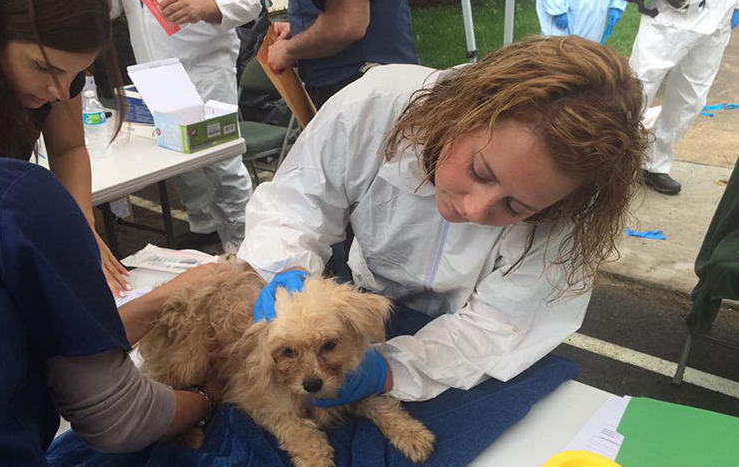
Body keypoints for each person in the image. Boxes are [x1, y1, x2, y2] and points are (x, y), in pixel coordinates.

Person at [238, 36, 648, 403]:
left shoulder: (567, 213)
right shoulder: (373, 108)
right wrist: (285, 274)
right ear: (461, 113)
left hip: (467, 334)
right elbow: (295, 206)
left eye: (515, 208)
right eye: (480, 172)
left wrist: (390, 372)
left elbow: (500, 327)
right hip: (365, 302)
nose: (474, 210)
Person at [0, 153, 227, 467]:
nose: (57, 91)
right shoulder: (11, 195)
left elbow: (57, 336)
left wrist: (157, 301)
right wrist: (211, 394)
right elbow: (118, 416)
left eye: (77, 83)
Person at [0, 0, 131, 296]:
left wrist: (81, 227)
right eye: (42, 68)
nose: (61, 92)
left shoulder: (57, 78)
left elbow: (68, 148)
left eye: (76, 73)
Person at [102, 0, 261, 251]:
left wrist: (205, 7)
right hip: (155, 72)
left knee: (221, 160)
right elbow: (115, 7)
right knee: (177, 153)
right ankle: (204, 228)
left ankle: (244, 243)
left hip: (205, 68)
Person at [628, 0, 739, 195]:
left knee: (690, 98)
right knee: (637, 86)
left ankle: (653, 164)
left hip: (720, 12)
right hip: (673, 9)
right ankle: (602, 160)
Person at [265, 0, 419, 109]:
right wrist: (302, 29)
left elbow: (346, 24)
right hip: (384, 84)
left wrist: (288, 50)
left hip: (355, 92)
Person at [537, 0, 628, 43]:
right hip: (568, 4)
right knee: (556, 52)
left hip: (597, 5)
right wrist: (558, 8)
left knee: (590, 51)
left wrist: (617, 4)